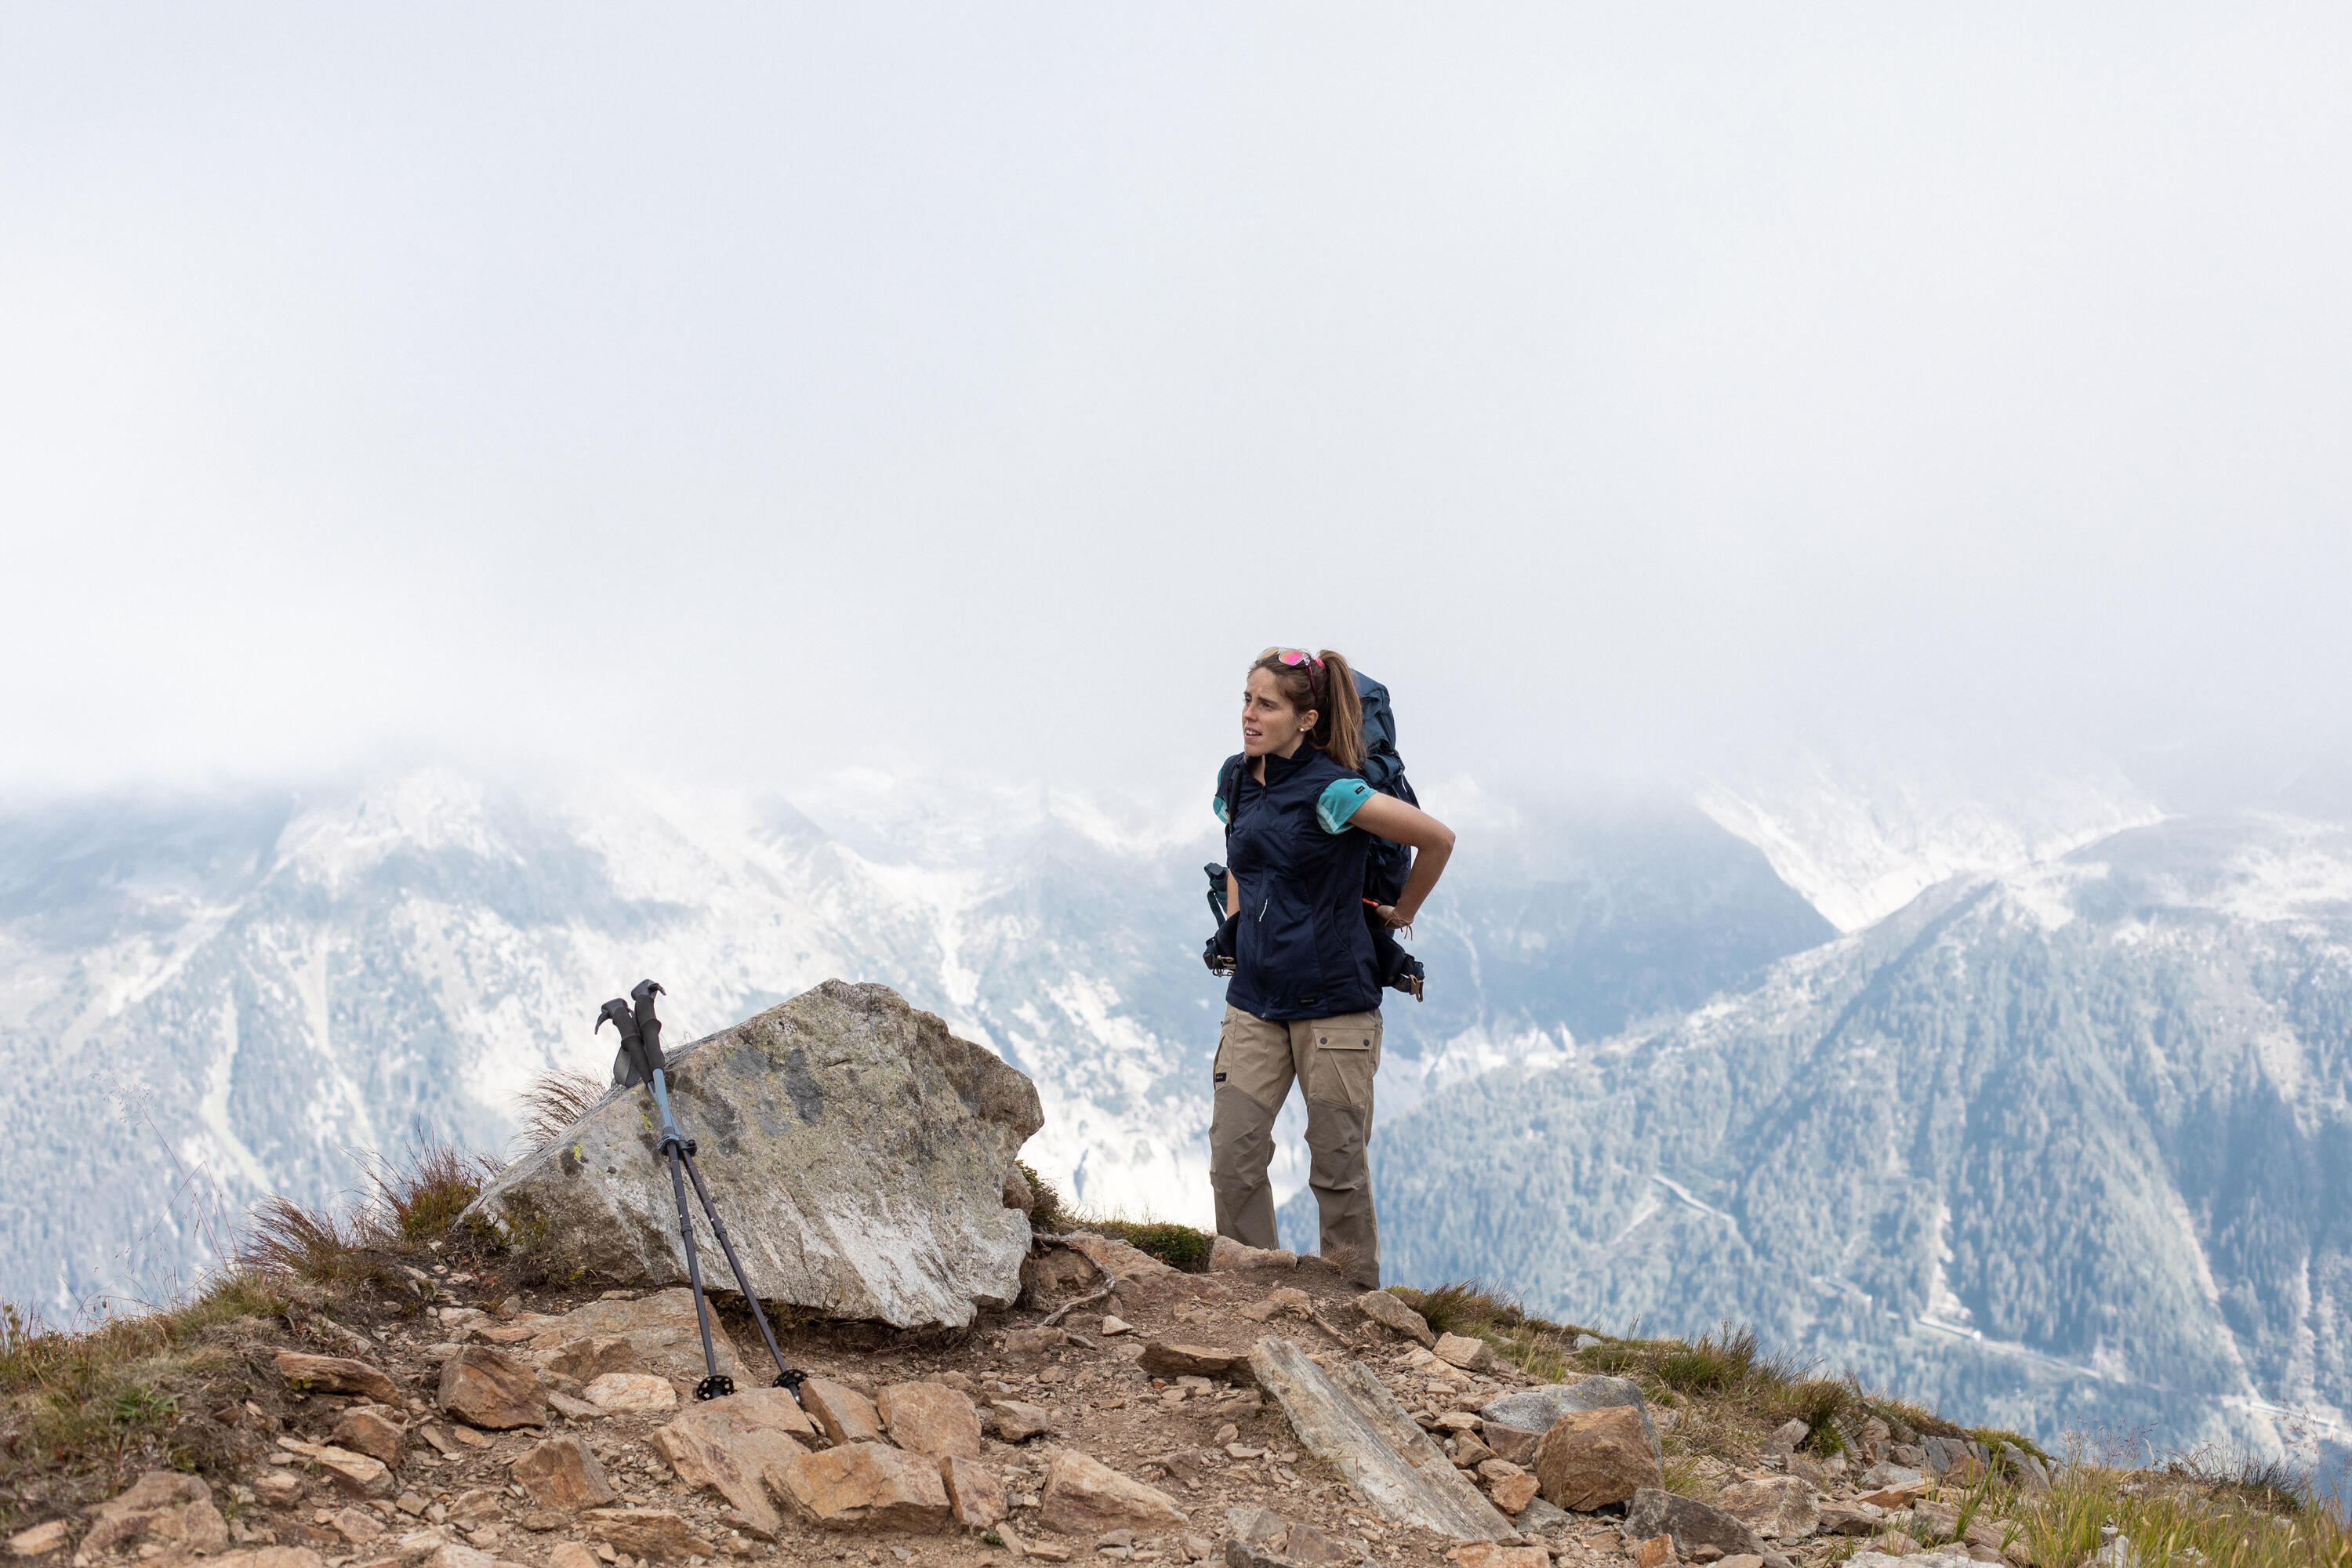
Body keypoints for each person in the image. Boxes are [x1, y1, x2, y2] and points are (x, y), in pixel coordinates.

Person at [1207, 646, 1456, 1288]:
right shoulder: (1236, 778)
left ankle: (1352, 1306)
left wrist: (1402, 912)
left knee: (1336, 1169)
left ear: (1306, 718)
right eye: (1246, 698)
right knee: (1233, 1159)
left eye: (1267, 704)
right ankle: (1251, 1290)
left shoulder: (1335, 792)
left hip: (1336, 1011)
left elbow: (1438, 838)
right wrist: (1235, 926)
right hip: (1255, 1002)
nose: (1249, 714)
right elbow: (1241, 854)